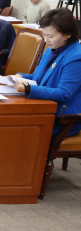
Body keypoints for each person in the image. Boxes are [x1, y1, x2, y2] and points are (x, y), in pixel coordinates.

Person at [13, 8, 81, 136]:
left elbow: (64, 93)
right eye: (44, 35)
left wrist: (29, 89)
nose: (45, 40)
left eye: (50, 36)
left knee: (16, 129)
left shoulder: (76, 57)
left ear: (67, 34)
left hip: (62, 120)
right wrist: (19, 76)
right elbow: (38, 78)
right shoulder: (52, 49)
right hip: (43, 108)